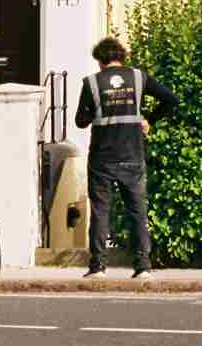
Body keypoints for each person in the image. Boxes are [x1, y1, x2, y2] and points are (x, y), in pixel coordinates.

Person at [75, 37, 179, 279]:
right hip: (132, 155)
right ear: (123, 57)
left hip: (102, 158)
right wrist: (149, 119)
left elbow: (80, 121)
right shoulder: (139, 78)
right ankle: (143, 267)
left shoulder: (92, 82)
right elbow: (171, 99)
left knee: (101, 211)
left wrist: (97, 109)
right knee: (137, 212)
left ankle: (98, 267)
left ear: (100, 61)